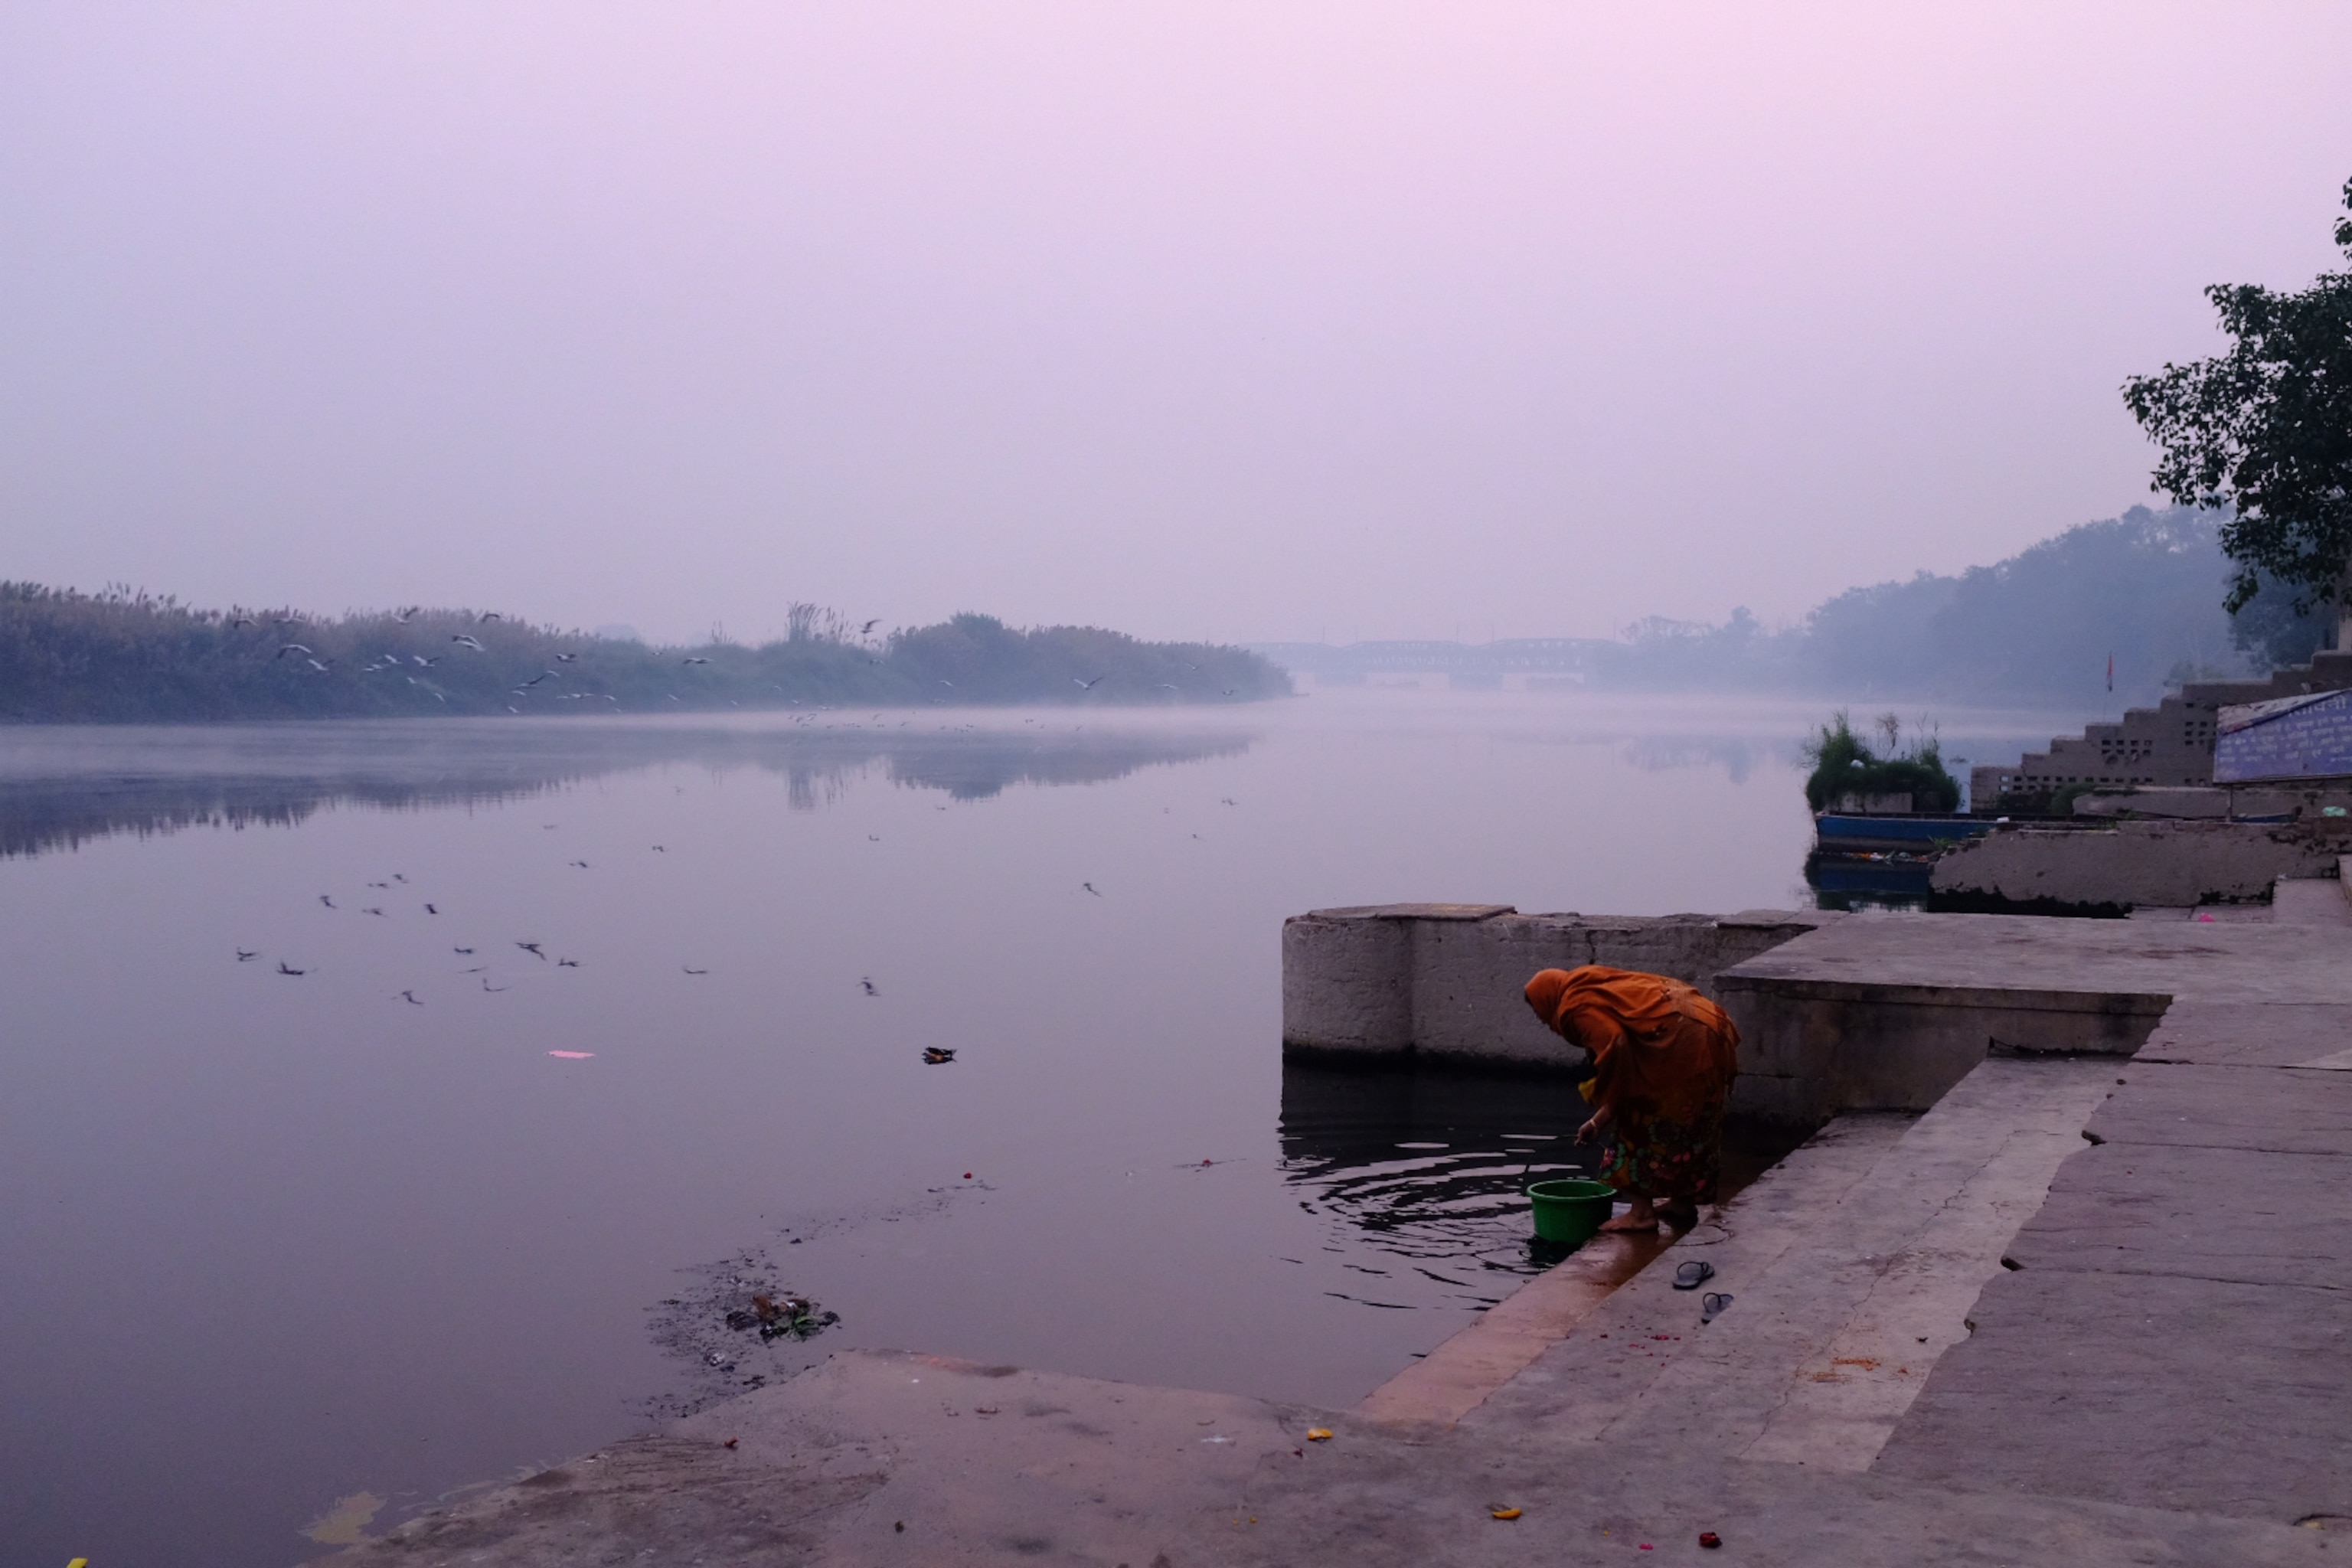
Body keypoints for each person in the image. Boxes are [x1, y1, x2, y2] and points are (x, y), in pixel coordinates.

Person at [1522, 965, 1740, 1233]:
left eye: (1541, 1015)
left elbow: (1619, 1051)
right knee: (1690, 1124)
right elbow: (1628, 1063)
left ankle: (1641, 1215)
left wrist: (1598, 1089)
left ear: (1548, 1001)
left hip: (1683, 1039)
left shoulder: (1575, 1007)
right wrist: (1597, 1121)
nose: (1546, 1022)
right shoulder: (1590, 984)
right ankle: (1682, 1203)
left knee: (1639, 1122)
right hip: (1708, 1027)